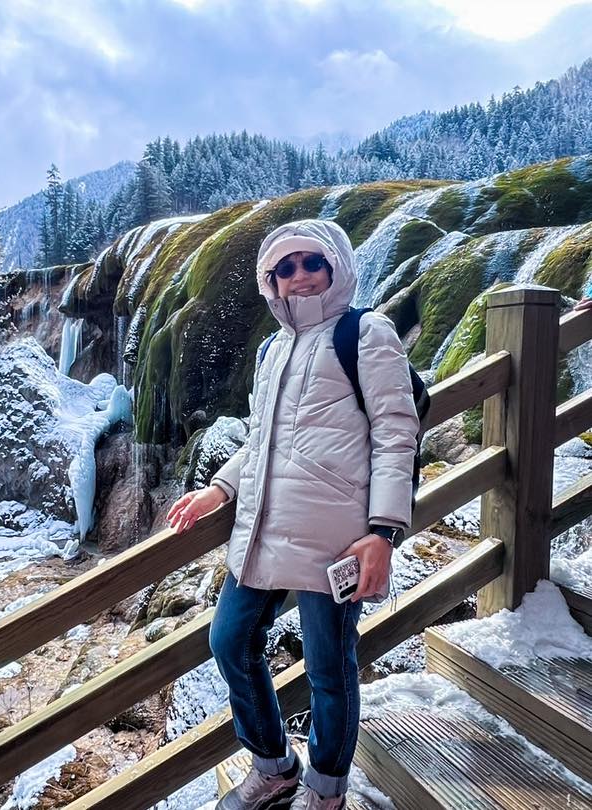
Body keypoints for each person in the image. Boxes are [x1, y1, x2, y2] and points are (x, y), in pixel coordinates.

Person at [167, 219, 419, 809]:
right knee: (229, 641)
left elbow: (395, 433)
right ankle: (275, 765)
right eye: (285, 268)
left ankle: (326, 790)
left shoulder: (365, 333)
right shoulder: (273, 348)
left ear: (336, 267)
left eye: (312, 263)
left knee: (329, 669)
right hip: (263, 524)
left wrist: (383, 532)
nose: (299, 276)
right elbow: (263, 439)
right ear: (271, 281)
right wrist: (220, 490)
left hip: (336, 536)